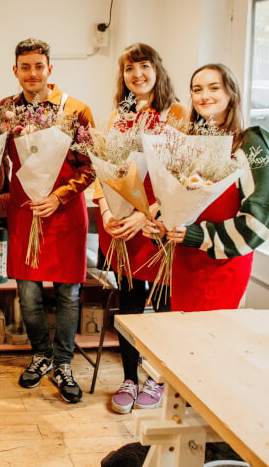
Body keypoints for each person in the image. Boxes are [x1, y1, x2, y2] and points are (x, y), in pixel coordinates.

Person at [0, 38, 95, 404]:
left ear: (49, 69)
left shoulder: (76, 110)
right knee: (28, 294)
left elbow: (90, 167)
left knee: (69, 294)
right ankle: (41, 355)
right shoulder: (5, 110)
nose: (32, 73)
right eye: (25, 67)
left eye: (39, 66)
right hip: (25, 214)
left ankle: (64, 364)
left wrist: (59, 196)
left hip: (66, 214)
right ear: (15, 71)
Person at [100, 44, 187, 414]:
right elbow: (104, 170)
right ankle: (130, 378)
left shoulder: (178, 113)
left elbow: (182, 175)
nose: (137, 74)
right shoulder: (117, 116)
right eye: (129, 68)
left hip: (160, 225)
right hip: (125, 227)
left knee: (165, 306)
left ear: (157, 69)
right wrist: (107, 210)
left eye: (144, 66)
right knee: (131, 306)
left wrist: (146, 215)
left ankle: (158, 379)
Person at [144, 63, 269, 311]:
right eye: (197, 89)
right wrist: (161, 226)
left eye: (214, 88)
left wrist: (198, 235)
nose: (204, 96)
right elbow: (178, 204)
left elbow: (258, 221)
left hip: (223, 264)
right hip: (184, 263)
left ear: (231, 94)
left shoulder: (250, 143)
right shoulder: (188, 143)